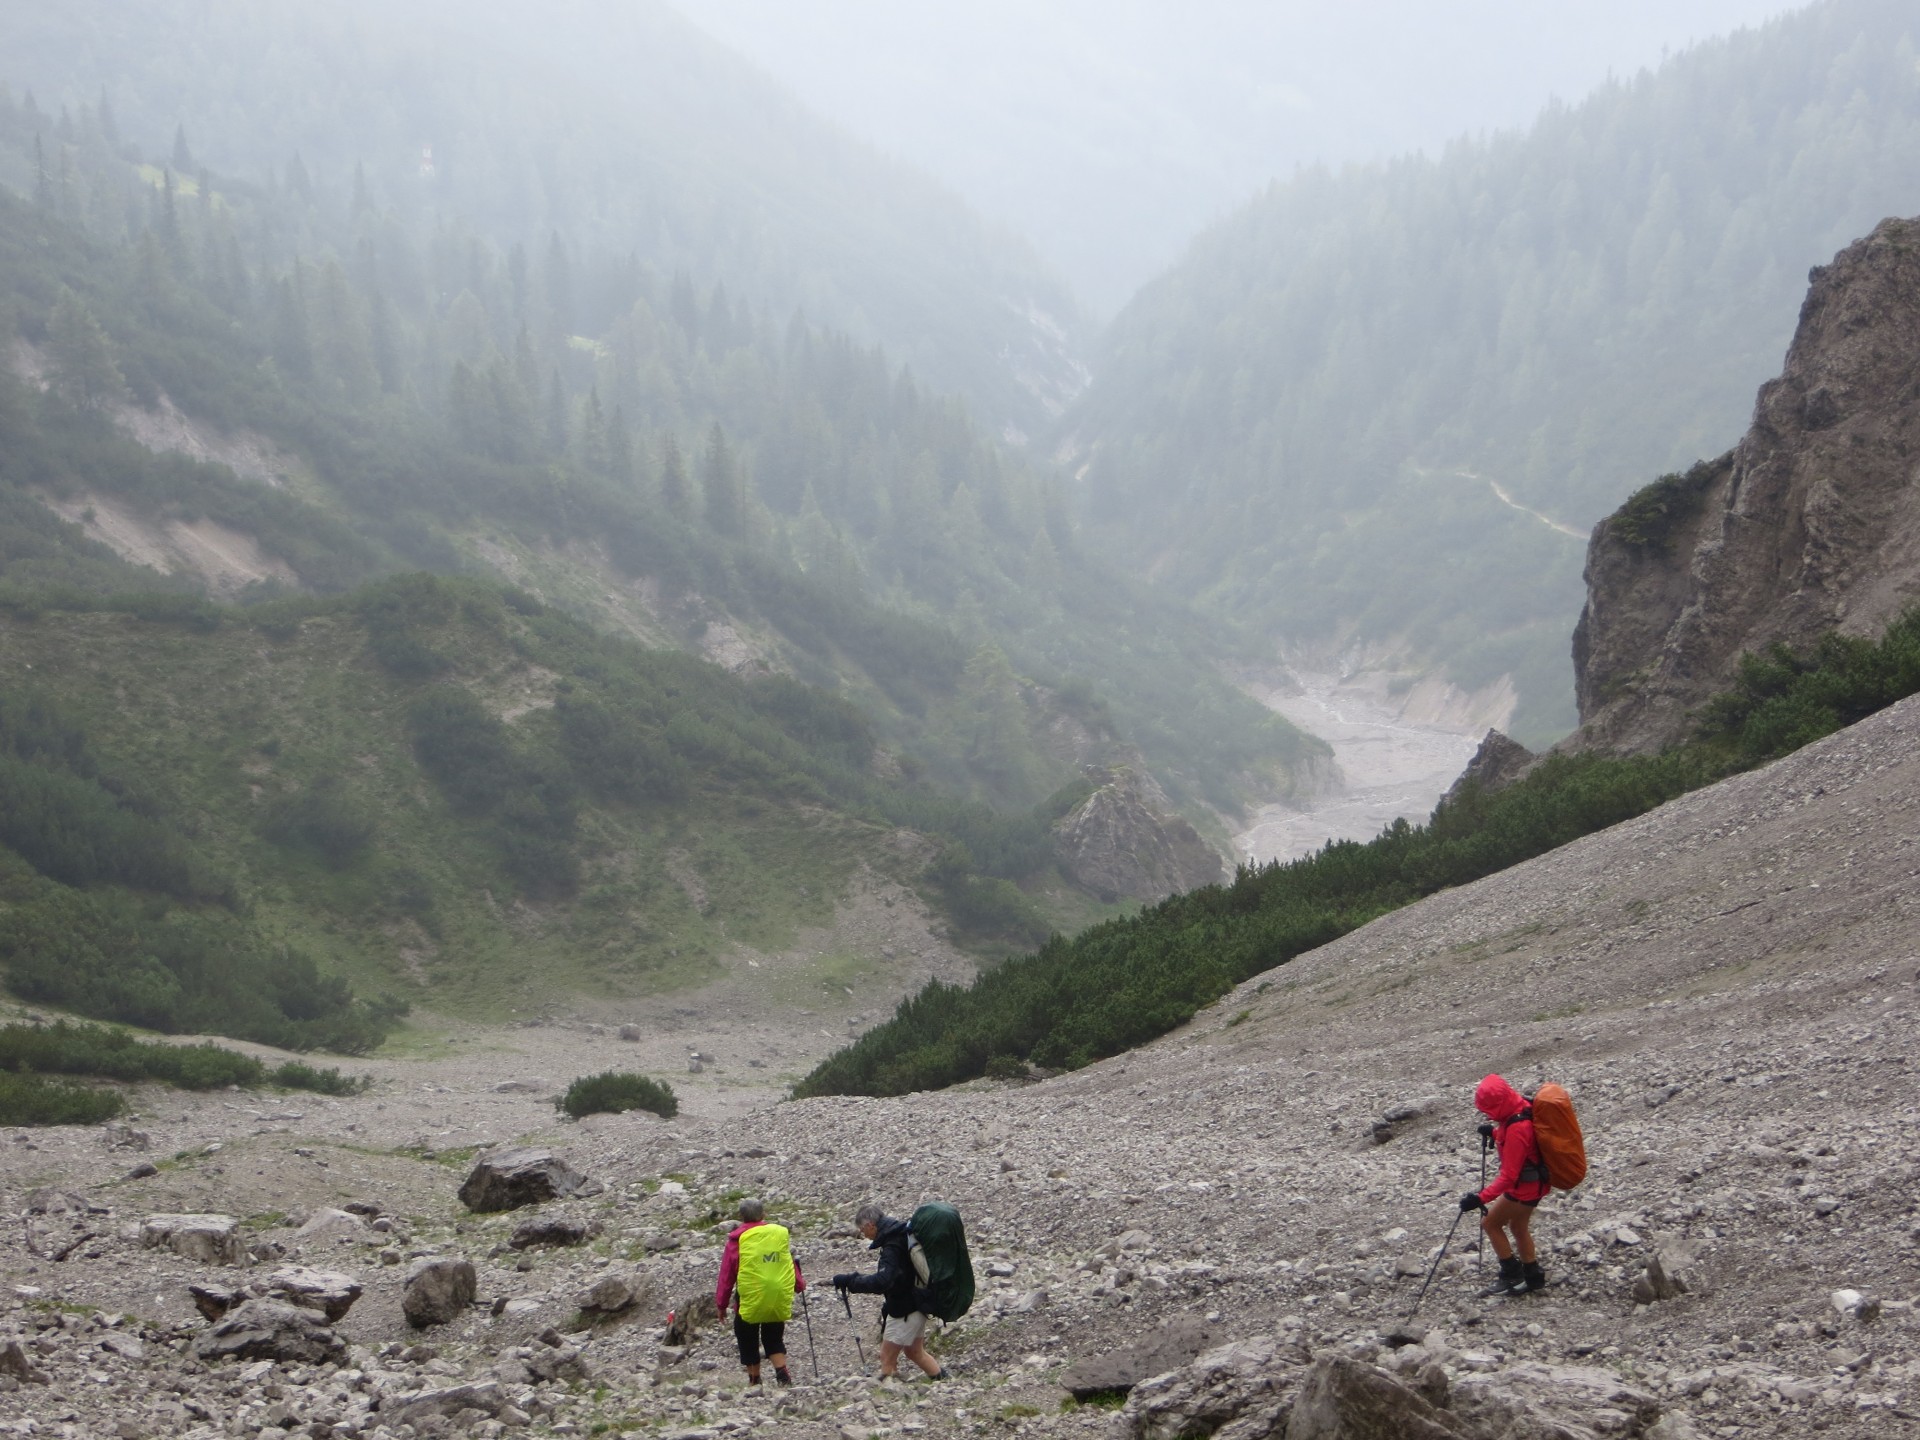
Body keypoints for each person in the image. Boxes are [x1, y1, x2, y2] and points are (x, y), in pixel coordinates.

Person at [832, 1203, 946, 1382]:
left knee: (886, 1357)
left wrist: (851, 1281)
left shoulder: (892, 1244)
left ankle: (886, 1395)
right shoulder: (901, 1235)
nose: (863, 1234)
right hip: (919, 1302)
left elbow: (882, 1282)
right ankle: (943, 1381)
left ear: (871, 1225)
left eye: (863, 1229)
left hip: (905, 1308)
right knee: (915, 1352)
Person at [1460, 1073, 1550, 1295]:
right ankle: (1532, 1277)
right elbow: (1516, 1137)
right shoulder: (1520, 1109)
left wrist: (1480, 1198)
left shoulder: (1518, 1127)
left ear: (1499, 1103)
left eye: (1488, 1109)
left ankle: (1511, 1275)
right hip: (1535, 1185)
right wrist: (1494, 1132)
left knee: (1490, 1223)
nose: (1487, 1114)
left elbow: (1509, 1175)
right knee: (1518, 1227)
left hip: (1524, 1189)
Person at [715, 1198, 805, 1387]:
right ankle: (782, 1373)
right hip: (776, 1295)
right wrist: (799, 1285)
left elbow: (727, 1275)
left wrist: (721, 1305)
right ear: (763, 1215)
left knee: (746, 1335)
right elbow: (786, 1262)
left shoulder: (736, 1240)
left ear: (741, 1217)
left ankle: (754, 1380)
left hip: (749, 1298)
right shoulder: (776, 1236)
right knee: (773, 1336)